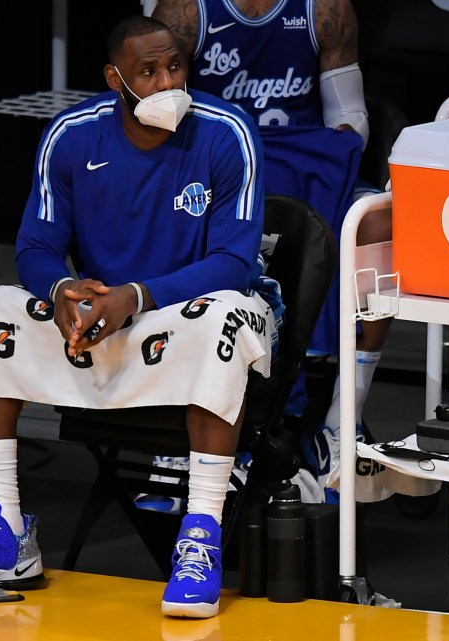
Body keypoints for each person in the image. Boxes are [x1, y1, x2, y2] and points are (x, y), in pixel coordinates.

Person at [0, 15, 271, 620]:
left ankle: (200, 534)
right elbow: (35, 248)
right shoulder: (71, 135)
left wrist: (135, 295)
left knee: (224, 316)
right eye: (147, 72)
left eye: (175, 67)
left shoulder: (227, 131)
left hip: (186, 313)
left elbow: (235, 263)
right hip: (104, 319)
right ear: (114, 78)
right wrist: (63, 293)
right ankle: (3, 530)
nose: (166, 83)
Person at [147, 0, 392, 504]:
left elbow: (349, 114)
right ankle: (175, 429)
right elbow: (162, 120)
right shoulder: (186, 13)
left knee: (378, 222)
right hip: (216, 169)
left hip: (300, 171)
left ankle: (341, 423)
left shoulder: (325, 9)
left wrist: (326, 152)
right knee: (171, 212)